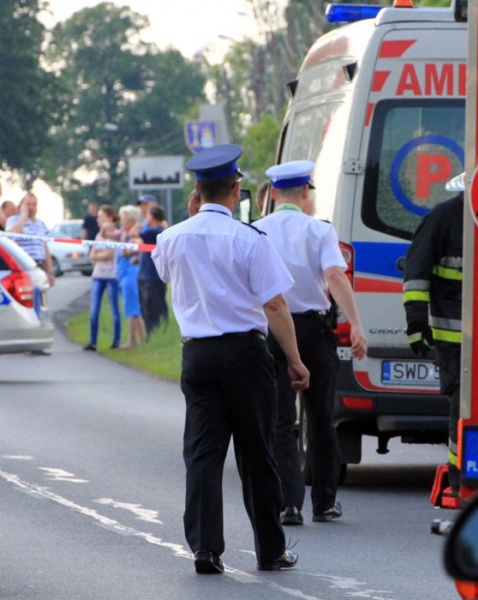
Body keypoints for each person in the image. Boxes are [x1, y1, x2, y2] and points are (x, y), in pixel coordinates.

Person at [152, 144, 309, 575]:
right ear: (237, 189)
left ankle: (205, 548)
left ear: (196, 192)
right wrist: (295, 359)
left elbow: (168, 274)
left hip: (197, 355)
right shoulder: (250, 239)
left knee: (203, 452)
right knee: (257, 453)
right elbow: (275, 305)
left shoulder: (171, 238)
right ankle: (270, 550)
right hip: (245, 354)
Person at [254, 160, 368, 526]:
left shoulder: (256, 230)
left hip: (272, 327)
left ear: (273, 194)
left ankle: (289, 503)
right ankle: (325, 502)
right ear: (306, 192)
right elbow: (335, 275)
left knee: (280, 419)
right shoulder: (320, 231)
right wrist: (356, 324)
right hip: (315, 331)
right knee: (320, 416)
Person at [403, 174, 464, 506]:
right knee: (460, 408)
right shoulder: (443, 218)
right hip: (454, 339)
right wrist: (416, 323)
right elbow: (417, 272)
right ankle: (459, 483)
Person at [85, 205, 121, 352]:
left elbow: (110, 254)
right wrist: (101, 254)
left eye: (101, 216)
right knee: (94, 309)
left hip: (112, 276)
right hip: (98, 276)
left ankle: (116, 342)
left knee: (114, 309)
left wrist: (102, 254)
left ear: (110, 217)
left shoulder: (118, 235)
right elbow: (92, 255)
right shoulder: (99, 236)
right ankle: (92, 342)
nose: (98, 219)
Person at [6, 192, 54, 288]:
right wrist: (23, 216)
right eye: (28, 204)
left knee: (40, 298)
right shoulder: (13, 220)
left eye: (34, 204)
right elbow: (11, 235)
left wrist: (50, 272)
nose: (31, 207)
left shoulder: (41, 224)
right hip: (24, 266)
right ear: (21, 206)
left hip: (40, 265)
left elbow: (45, 248)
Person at [117, 205, 146, 349]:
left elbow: (136, 248)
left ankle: (132, 340)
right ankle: (142, 339)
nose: (121, 221)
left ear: (131, 220)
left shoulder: (135, 235)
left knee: (132, 309)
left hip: (131, 274)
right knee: (133, 309)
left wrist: (128, 246)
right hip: (124, 273)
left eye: (123, 219)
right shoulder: (125, 234)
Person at [137, 205, 168, 333]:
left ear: (153, 217)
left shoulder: (155, 231)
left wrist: (142, 224)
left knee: (151, 307)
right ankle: (155, 330)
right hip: (146, 273)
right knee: (147, 306)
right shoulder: (159, 230)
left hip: (152, 275)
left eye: (148, 215)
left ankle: (155, 331)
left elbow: (138, 233)